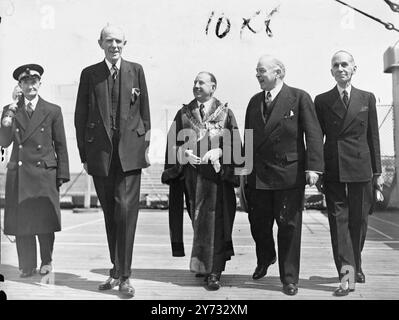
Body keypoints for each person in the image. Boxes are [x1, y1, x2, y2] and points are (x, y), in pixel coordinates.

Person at [74, 25, 150, 297]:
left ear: (125, 42)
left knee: (126, 213)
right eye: (109, 41)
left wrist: (143, 148)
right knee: (111, 215)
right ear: (100, 43)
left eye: (118, 40)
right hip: (101, 157)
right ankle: (115, 269)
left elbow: (145, 115)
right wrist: (84, 156)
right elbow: (80, 118)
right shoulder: (90, 74)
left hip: (129, 157)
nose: (114, 45)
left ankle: (125, 276)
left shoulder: (136, 70)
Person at [243, 55, 324, 296]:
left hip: (289, 174)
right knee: (258, 224)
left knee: (288, 226)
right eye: (256, 70)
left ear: (278, 72)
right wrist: (241, 173)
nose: (257, 75)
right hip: (258, 174)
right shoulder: (253, 101)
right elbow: (247, 139)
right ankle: (266, 257)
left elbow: (313, 134)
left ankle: (289, 277)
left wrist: (314, 168)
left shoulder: (299, 98)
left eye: (261, 70)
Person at [162, 71, 240, 290]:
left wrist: (220, 152)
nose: (196, 85)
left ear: (213, 87)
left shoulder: (225, 114)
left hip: (217, 178)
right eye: (194, 82)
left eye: (201, 82)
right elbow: (171, 145)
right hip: (192, 178)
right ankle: (203, 264)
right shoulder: (184, 114)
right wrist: (183, 153)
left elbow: (237, 145)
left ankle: (214, 271)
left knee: (216, 222)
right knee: (198, 221)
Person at [314, 51, 383, 296]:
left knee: (359, 222)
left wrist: (377, 174)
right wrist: (317, 170)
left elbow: (373, 136)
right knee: (339, 224)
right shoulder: (322, 100)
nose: (341, 68)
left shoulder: (367, 98)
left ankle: (356, 264)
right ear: (331, 71)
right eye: (336, 65)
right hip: (334, 169)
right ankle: (348, 276)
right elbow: (316, 138)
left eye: (345, 64)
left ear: (354, 68)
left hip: (362, 169)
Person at [0, 64, 70, 277]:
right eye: (26, 82)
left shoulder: (52, 110)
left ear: (40, 84)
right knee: (23, 222)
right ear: (19, 85)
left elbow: (61, 145)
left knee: (44, 220)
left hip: (44, 174)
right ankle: (27, 265)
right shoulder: (10, 110)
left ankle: (46, 261)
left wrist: (62, 174)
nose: (31, 85)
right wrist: (11, 108)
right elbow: (4, 140)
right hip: (20, 174)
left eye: (34, 81)